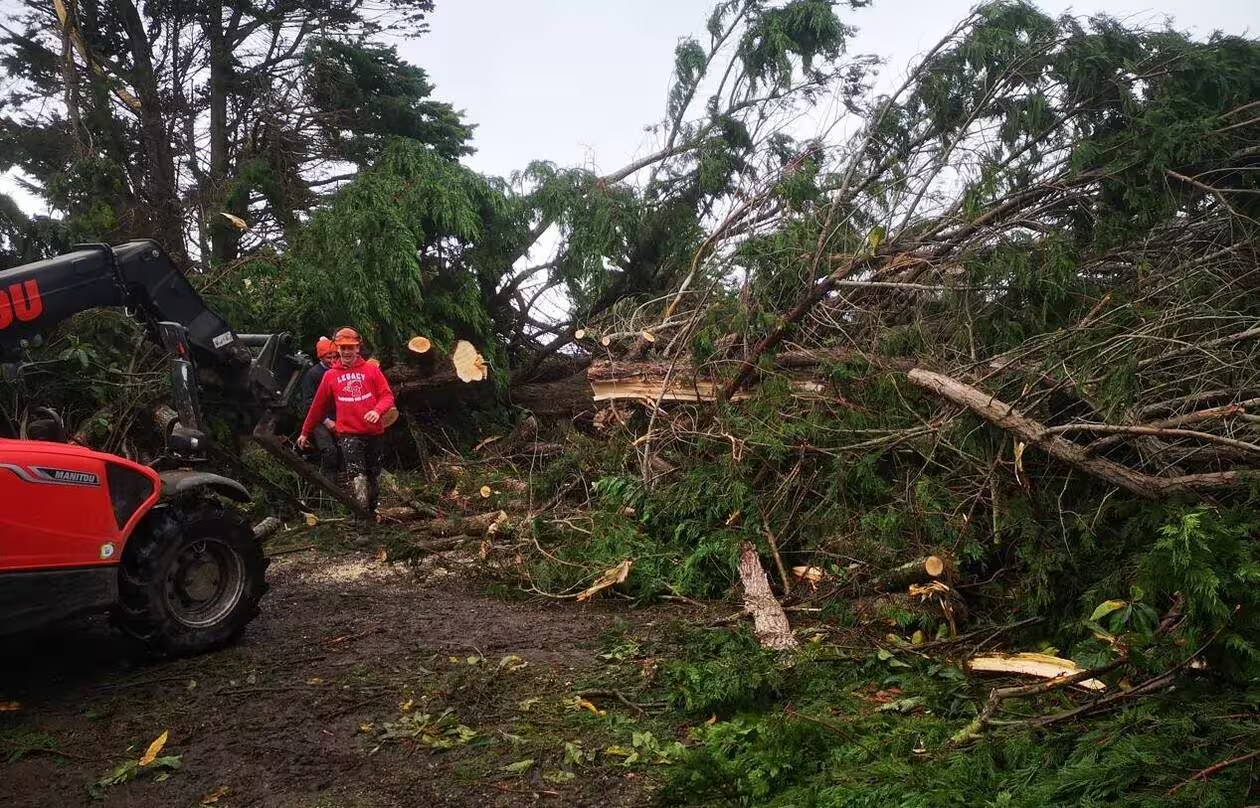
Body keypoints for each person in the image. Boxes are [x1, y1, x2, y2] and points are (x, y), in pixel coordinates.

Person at [297, 326, 395, 515]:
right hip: (349, 435)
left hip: (373, 433)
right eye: (343, 348)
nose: (347, 352)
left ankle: (372, 513)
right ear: (338, 349)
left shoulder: (371, 371)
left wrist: (377, 410)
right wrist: (305, 432)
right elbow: (317, 407)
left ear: (358, 348)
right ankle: (360, 521)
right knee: (357, 478)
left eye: (351, 347)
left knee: (372, 476)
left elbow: (387, 396)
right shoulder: (330, 376)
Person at [299, 336, 341, 478]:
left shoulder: (339, 370)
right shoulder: (312, 374)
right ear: (321, 357)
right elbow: (309, 402)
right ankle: (329, 486)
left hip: (338, 415)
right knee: (329, 451)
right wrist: (326, 420)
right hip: (318, 419)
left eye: (335, 356)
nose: (333, 360)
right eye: (329, 357)